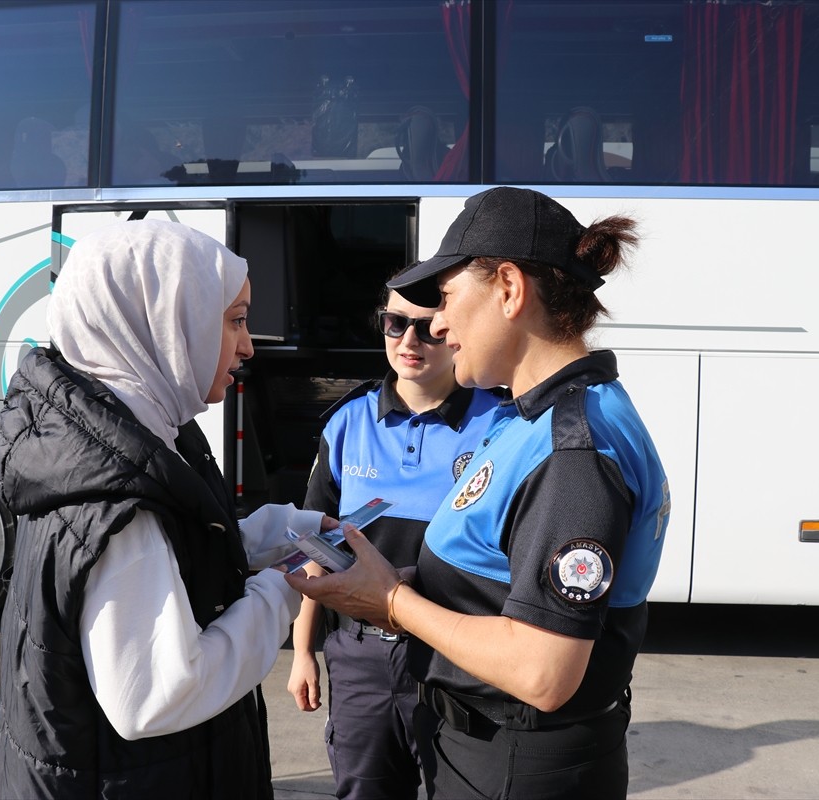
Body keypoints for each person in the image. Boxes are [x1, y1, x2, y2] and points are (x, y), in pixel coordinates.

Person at [286, 186, 671, 799]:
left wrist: (390, 601)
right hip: (488, 752)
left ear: (510, 290)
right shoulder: (532, 418)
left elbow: (543, 672)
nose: (436, 324)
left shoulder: (572, 449)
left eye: (446, 300)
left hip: (516, 763)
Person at [0, 219, 335, 799]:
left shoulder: (128, 436)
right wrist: (282, 590)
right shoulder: (118, 496)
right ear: (165, 319)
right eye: (236, 320)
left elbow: (186, 546)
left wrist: (287, 531)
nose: (249, 346)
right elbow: (156, 695)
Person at [288, 278, 502, 799]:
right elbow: (316, 555)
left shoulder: (499, 423)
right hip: (358, 658)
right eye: (394, 322)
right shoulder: (346, 423)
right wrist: (302, 653)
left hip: (455, 657)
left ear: (453, 332)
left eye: (427, 327)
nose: (408, 341)